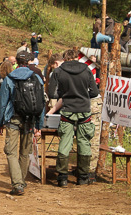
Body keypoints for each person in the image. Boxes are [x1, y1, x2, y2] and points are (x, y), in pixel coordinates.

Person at [47, 49, 99, 187]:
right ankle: (83, 177)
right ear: (77, 57)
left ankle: (62, 178)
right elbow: (94, 92)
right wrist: (83, 94)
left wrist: (63, 94)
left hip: (67, 111)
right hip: (84, 111)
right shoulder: (87, 70)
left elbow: (51, 93)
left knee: (64, 143)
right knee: (84, 144)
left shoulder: (58, 71)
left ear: (65, 58)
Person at [0, 51, 44, 196]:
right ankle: (21, 181)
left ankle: (17, 184)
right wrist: (39, 125)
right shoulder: (36, 78)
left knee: (10, 152)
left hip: (13, 119)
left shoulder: (10, 78)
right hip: (30, 120)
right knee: (24, 152)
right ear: (30, 61)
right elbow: (41, 103)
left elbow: (2, 103)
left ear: (16, 62)